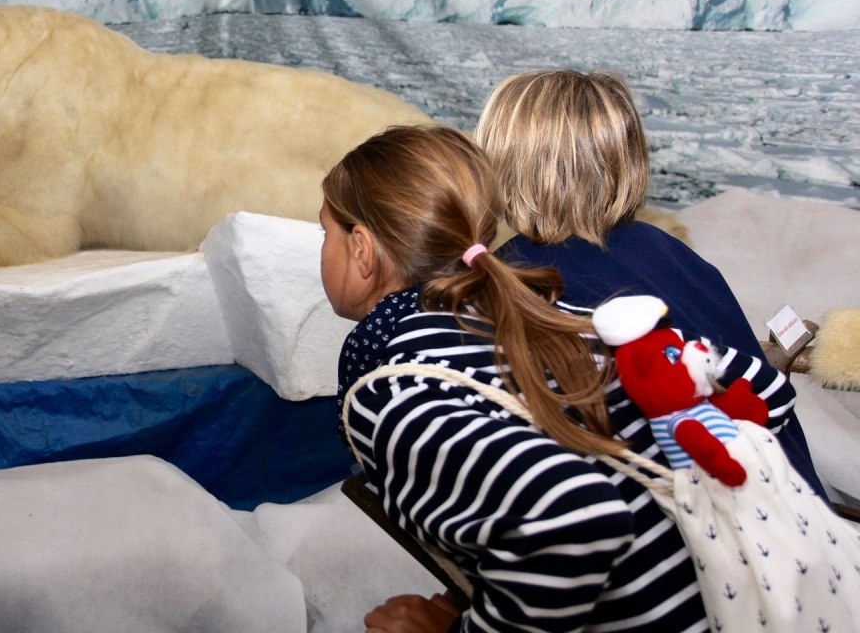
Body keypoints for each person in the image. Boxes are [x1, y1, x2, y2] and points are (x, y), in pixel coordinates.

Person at [320, 125, 799, 631]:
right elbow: (765, 390)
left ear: (362, 251)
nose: (321, 248)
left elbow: (571, 519)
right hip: (766, 597)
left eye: (323, 232)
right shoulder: (550, 312)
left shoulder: (393, 392)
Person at [475, 69, 827, 500]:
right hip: (799, 515)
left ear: (500, 163)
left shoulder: (518, 279)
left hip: (716, 537)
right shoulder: (668, 249)